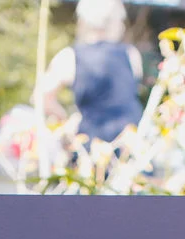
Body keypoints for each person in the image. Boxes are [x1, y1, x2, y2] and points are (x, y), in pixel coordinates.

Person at [39, 0, 143, 146]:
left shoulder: (69, 57)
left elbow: (42, 98)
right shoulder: (131, 55)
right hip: (130, 143)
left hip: (90, 143)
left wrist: (65, 120)